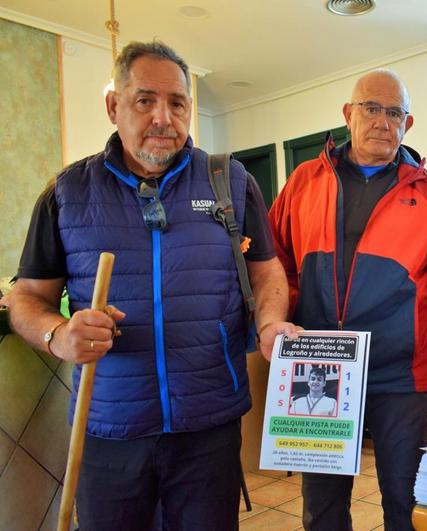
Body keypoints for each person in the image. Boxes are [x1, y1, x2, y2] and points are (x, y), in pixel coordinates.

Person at [7, 40, 297, 530]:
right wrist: (58, 335)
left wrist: (270, 324)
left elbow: (266, 270)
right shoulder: (67, 192)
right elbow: (25, 298)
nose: (164, 117)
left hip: (210, 425)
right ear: (113, 106)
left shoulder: (229, 180)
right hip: (108, 429)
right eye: (145, 101)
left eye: (177, 103)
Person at [268, 69, 427, 531]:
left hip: (400, 376)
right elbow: (275, 266)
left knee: (405, 500)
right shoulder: (303, 182)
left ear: (408, 124)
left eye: (394, 113)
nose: (382, 122)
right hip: (318, 370)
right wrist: (274, 325)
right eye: (371, 108)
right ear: (348, 115)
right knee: (322, 506)